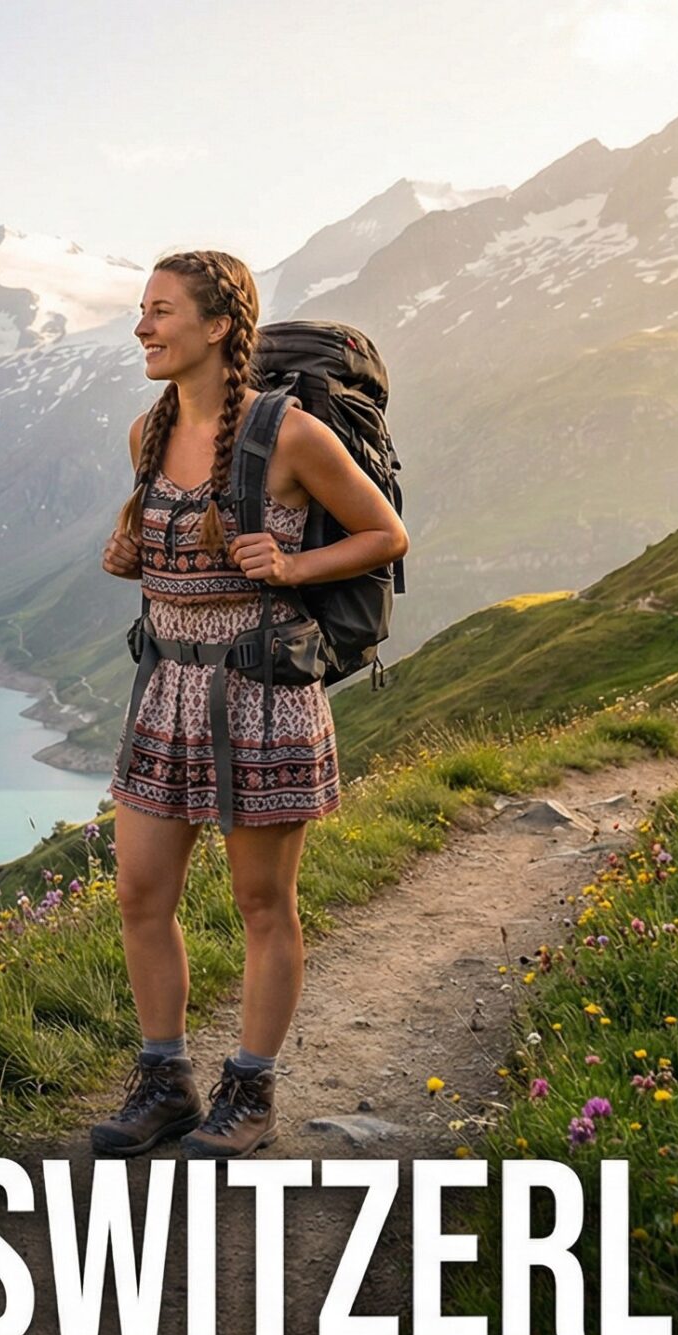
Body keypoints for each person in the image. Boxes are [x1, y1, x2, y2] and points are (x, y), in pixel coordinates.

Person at [89, 249, 408, 1159]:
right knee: (141, 892)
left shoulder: (292, 434)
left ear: (219, 326)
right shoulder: (145, 432)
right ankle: (166, 1082)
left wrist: (297, 564)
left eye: (160, 312)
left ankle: (253, 1092)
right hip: (168, 689)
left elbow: (386, 533)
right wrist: (133, 558)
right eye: (141, 312)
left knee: (263, 903)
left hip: (263, 693)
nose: (143, 327)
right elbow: (164, 546)